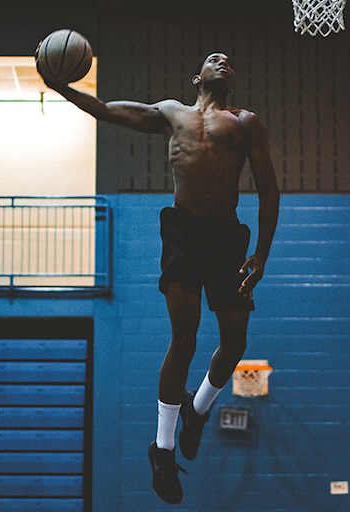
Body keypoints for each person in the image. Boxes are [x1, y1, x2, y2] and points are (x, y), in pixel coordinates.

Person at [41, 52, 280, 504]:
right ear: (199, 76)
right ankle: (163, 450)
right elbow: (109, 110)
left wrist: (262, 254)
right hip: (184, 232)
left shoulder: (246, 122)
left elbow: (269, 189)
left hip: (227, 235)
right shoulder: (172, 112)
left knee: (235, 342)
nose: (224, 61)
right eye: (214, 59)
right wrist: (64, 88)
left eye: (230, 60)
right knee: (184, 337)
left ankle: (198, 407)